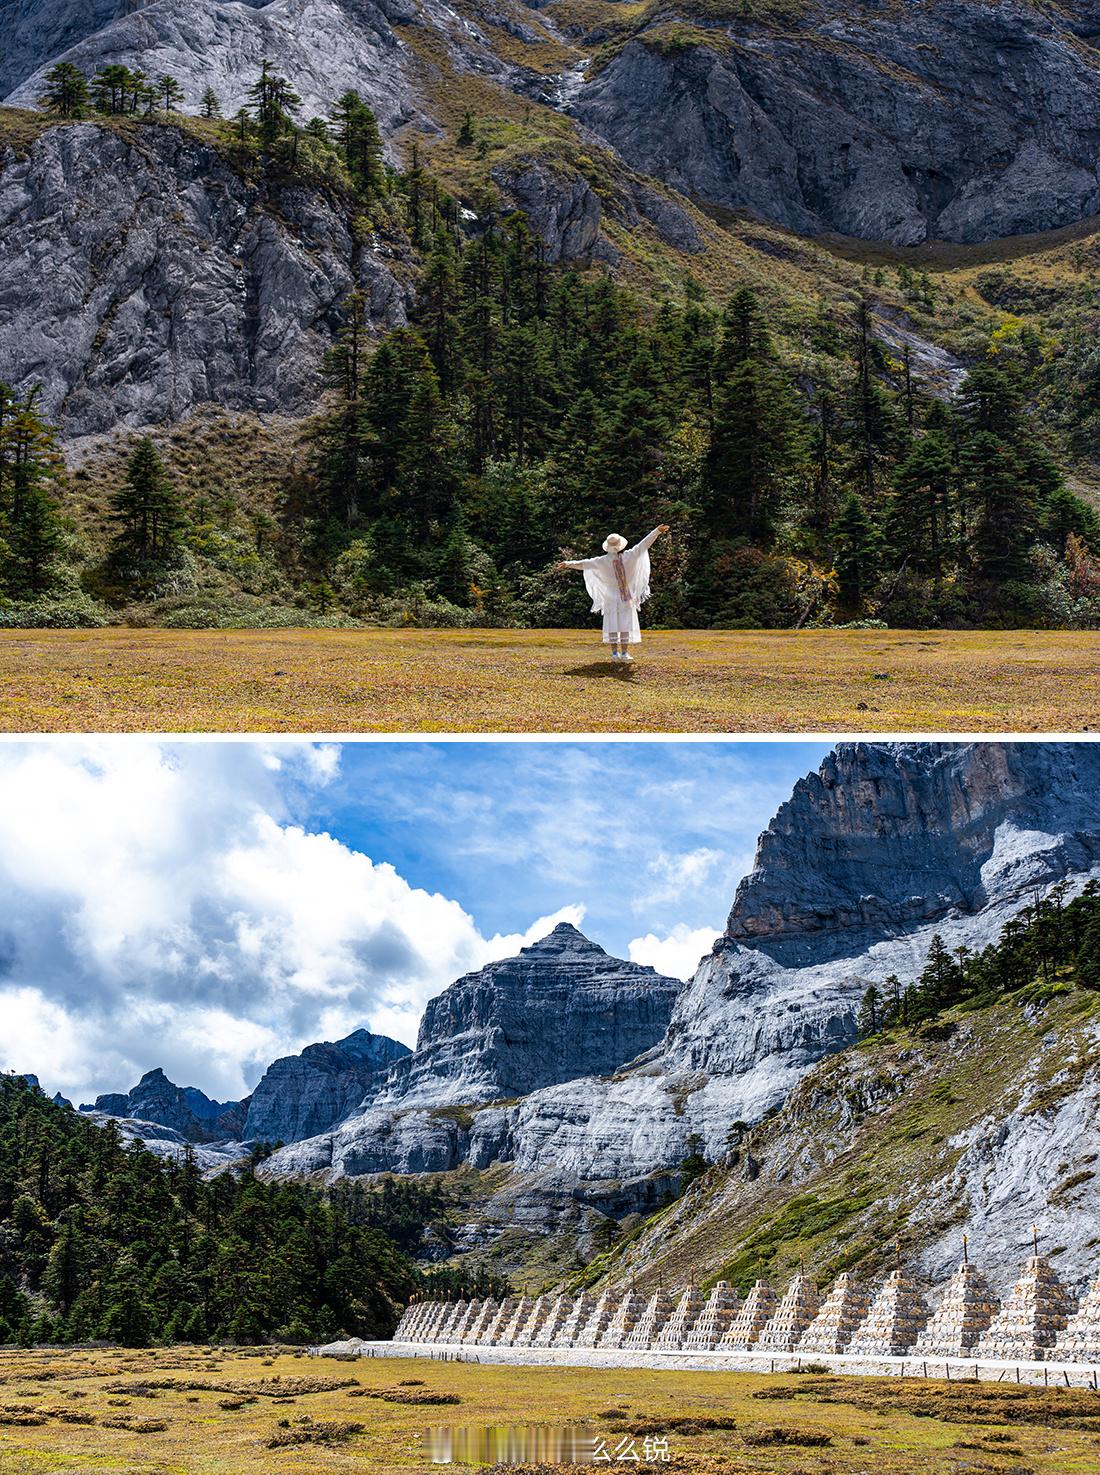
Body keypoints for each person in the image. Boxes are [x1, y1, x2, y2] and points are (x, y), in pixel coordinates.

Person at [555, 525, 670, 661]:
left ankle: (615, 653)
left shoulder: (602, 561)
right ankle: (624, 653)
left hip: (610, 595)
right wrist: (656, 531)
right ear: (621, 545)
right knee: (625, 623)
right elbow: (644, 543)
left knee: (613, 623)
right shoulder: (630, 555)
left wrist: (568, 563)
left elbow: (584, 564)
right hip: (625, 595)